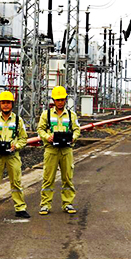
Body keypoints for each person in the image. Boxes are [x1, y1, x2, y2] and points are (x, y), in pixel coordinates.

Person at [0, 91, 31, 220]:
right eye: (3, 103)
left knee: (16, 182)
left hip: (12, 155)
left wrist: (16, 146)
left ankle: (20, 208)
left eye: (8, 103)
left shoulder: (17, 120)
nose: (6, 105)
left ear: (12, 104)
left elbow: (23, 138)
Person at [37, 85, 81, 215]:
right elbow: (40, 129)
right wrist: (47, 137)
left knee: (67, 177)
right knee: (48, 178)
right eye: (58, 100)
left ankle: (67, 203)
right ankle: (45, 204)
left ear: (66, 100)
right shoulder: (47, 114)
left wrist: (73, 138)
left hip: (66, 149)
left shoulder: (71, 115)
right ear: (53, 101)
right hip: (51, 150)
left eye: (62, 100)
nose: (60, 102)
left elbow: (77, 129)